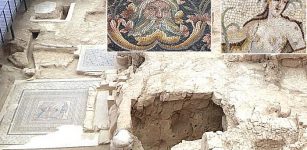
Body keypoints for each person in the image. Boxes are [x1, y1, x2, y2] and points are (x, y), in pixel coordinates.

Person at [233, 0, 306, 53]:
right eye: (276, 0)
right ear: (268, 1)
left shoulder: (290, 26)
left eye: (284, 2)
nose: (279, 5)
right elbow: (234, 40)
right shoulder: (254, 24)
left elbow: (302, 52)